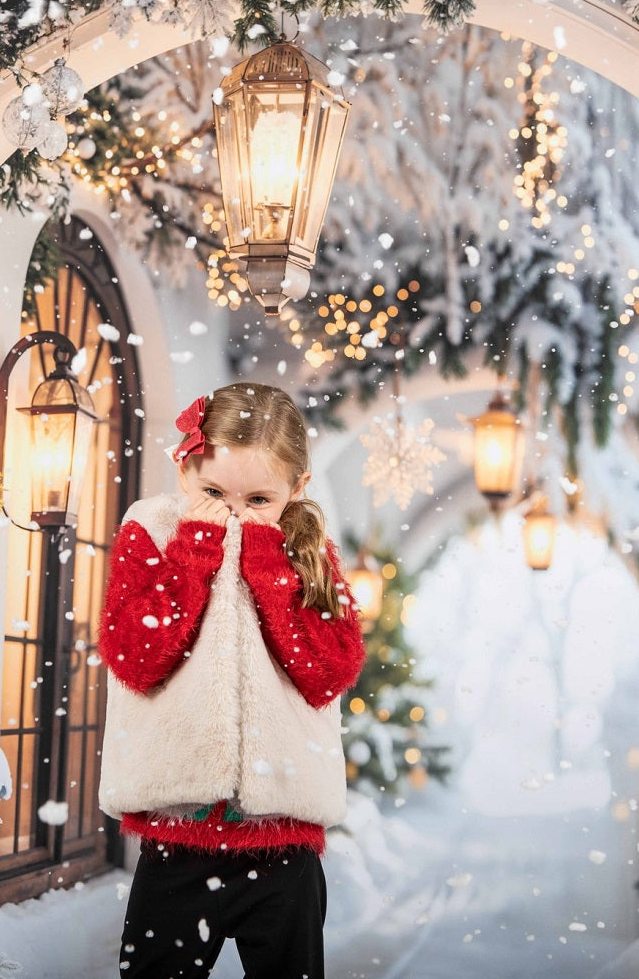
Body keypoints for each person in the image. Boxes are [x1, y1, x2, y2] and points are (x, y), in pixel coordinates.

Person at [97, 381, 366, 978]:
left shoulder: (308, 552)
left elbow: (328, 672)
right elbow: (137, 657)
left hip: (284, 846)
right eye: (213, 491)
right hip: (178, 841)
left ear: (296, 489)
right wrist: (193, 556)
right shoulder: (155, 529)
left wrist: (273, 569)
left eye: (259, 499)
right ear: (184, 468)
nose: (236, 514)